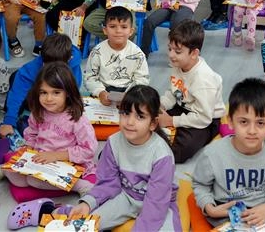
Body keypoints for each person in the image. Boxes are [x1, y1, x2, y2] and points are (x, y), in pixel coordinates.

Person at [69, 85, 181, 231]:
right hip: (126, 196)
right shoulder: (113, 142)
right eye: (126, 113)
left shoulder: (162, 155)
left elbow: (156, 204)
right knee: (84, 224)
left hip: (159, 202)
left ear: (153, 123)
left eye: (140, 116)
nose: (130, 122)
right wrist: (87, 203)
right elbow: (107, 182)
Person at [192, 78, 265, 227]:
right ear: (230, 121)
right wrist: (209, 208)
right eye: (244, 122)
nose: (252, 131)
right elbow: (200, 184)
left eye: (260, 123)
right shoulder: (212, 154)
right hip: (226, 215)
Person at [3, 62, 97, 195]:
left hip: (68, 162)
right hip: (41, 158)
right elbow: (31, 134)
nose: (48, 98)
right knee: (14, 174)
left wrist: (55, 156)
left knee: (34, 181)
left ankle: (80, 185)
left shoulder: (77, 119)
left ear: (68, 93)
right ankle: (5, 171)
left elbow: (89, 150)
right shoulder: (38, 112)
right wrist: (28, 150)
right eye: (43, 92)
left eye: (56, 92)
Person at [158, 20, 224, 163]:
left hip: (205, 119)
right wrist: (162, 105)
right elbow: (174, 91)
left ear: (194, 53)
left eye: (177, 51)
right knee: (151, 121)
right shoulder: (178, 63)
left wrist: (171, 121)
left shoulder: (204, 80)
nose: (171, 55)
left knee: (181, 150)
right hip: (184, 106)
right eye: (169, 49)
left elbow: (203, 118)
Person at [0, 33, 82, 138]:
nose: (52, 70)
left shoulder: (73, 65)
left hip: (59, 96)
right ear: (42, 58)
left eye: (57, 68)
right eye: (47, 65)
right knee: (15, 78)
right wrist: (9, 121)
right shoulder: (31, 68)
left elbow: (74, 90)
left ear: (69, 59)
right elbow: (17, 94)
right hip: (35, 94)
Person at [84, 6, 149, 106]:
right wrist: (100, 92)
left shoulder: (138, 54)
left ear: (131, 31)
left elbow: (142, 79)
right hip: (103, 89)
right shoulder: (97, 52)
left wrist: (128, 95)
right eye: (112, 26)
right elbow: (90, 77)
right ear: (105, 30)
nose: (118, 31)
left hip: (129, 92)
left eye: (124, 27)